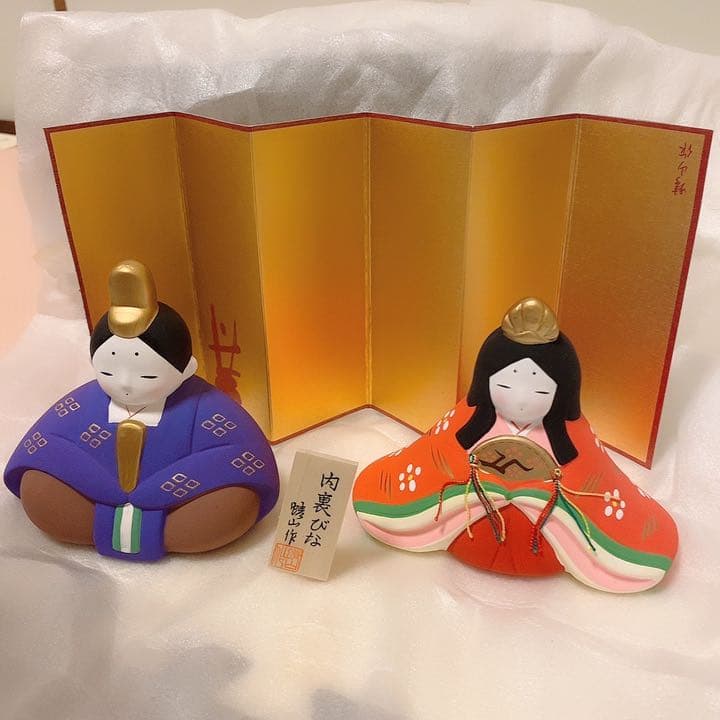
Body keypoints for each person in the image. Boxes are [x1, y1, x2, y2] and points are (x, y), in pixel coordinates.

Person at [352, 298, 678, 593]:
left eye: (540, 392)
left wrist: (536, 492)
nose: (521, 399)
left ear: (562, 393)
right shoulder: (467, 422)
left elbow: (595, 480)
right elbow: (435, 458)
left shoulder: (572, 437)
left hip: (544, 529)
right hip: (469, 515)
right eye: (505, 386)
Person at [4, 260, 279, 561]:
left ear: (186, 369)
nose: (125, 383)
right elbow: (45, 446)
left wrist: (163, 486)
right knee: (40, 489)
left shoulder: (209, 409)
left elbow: (241, 456)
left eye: (147, 375)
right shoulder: (81, 404)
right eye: (108, 372)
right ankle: (97, 526)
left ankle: (164, 534)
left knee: (234, 503)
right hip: (90, 499)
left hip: (180, 503)